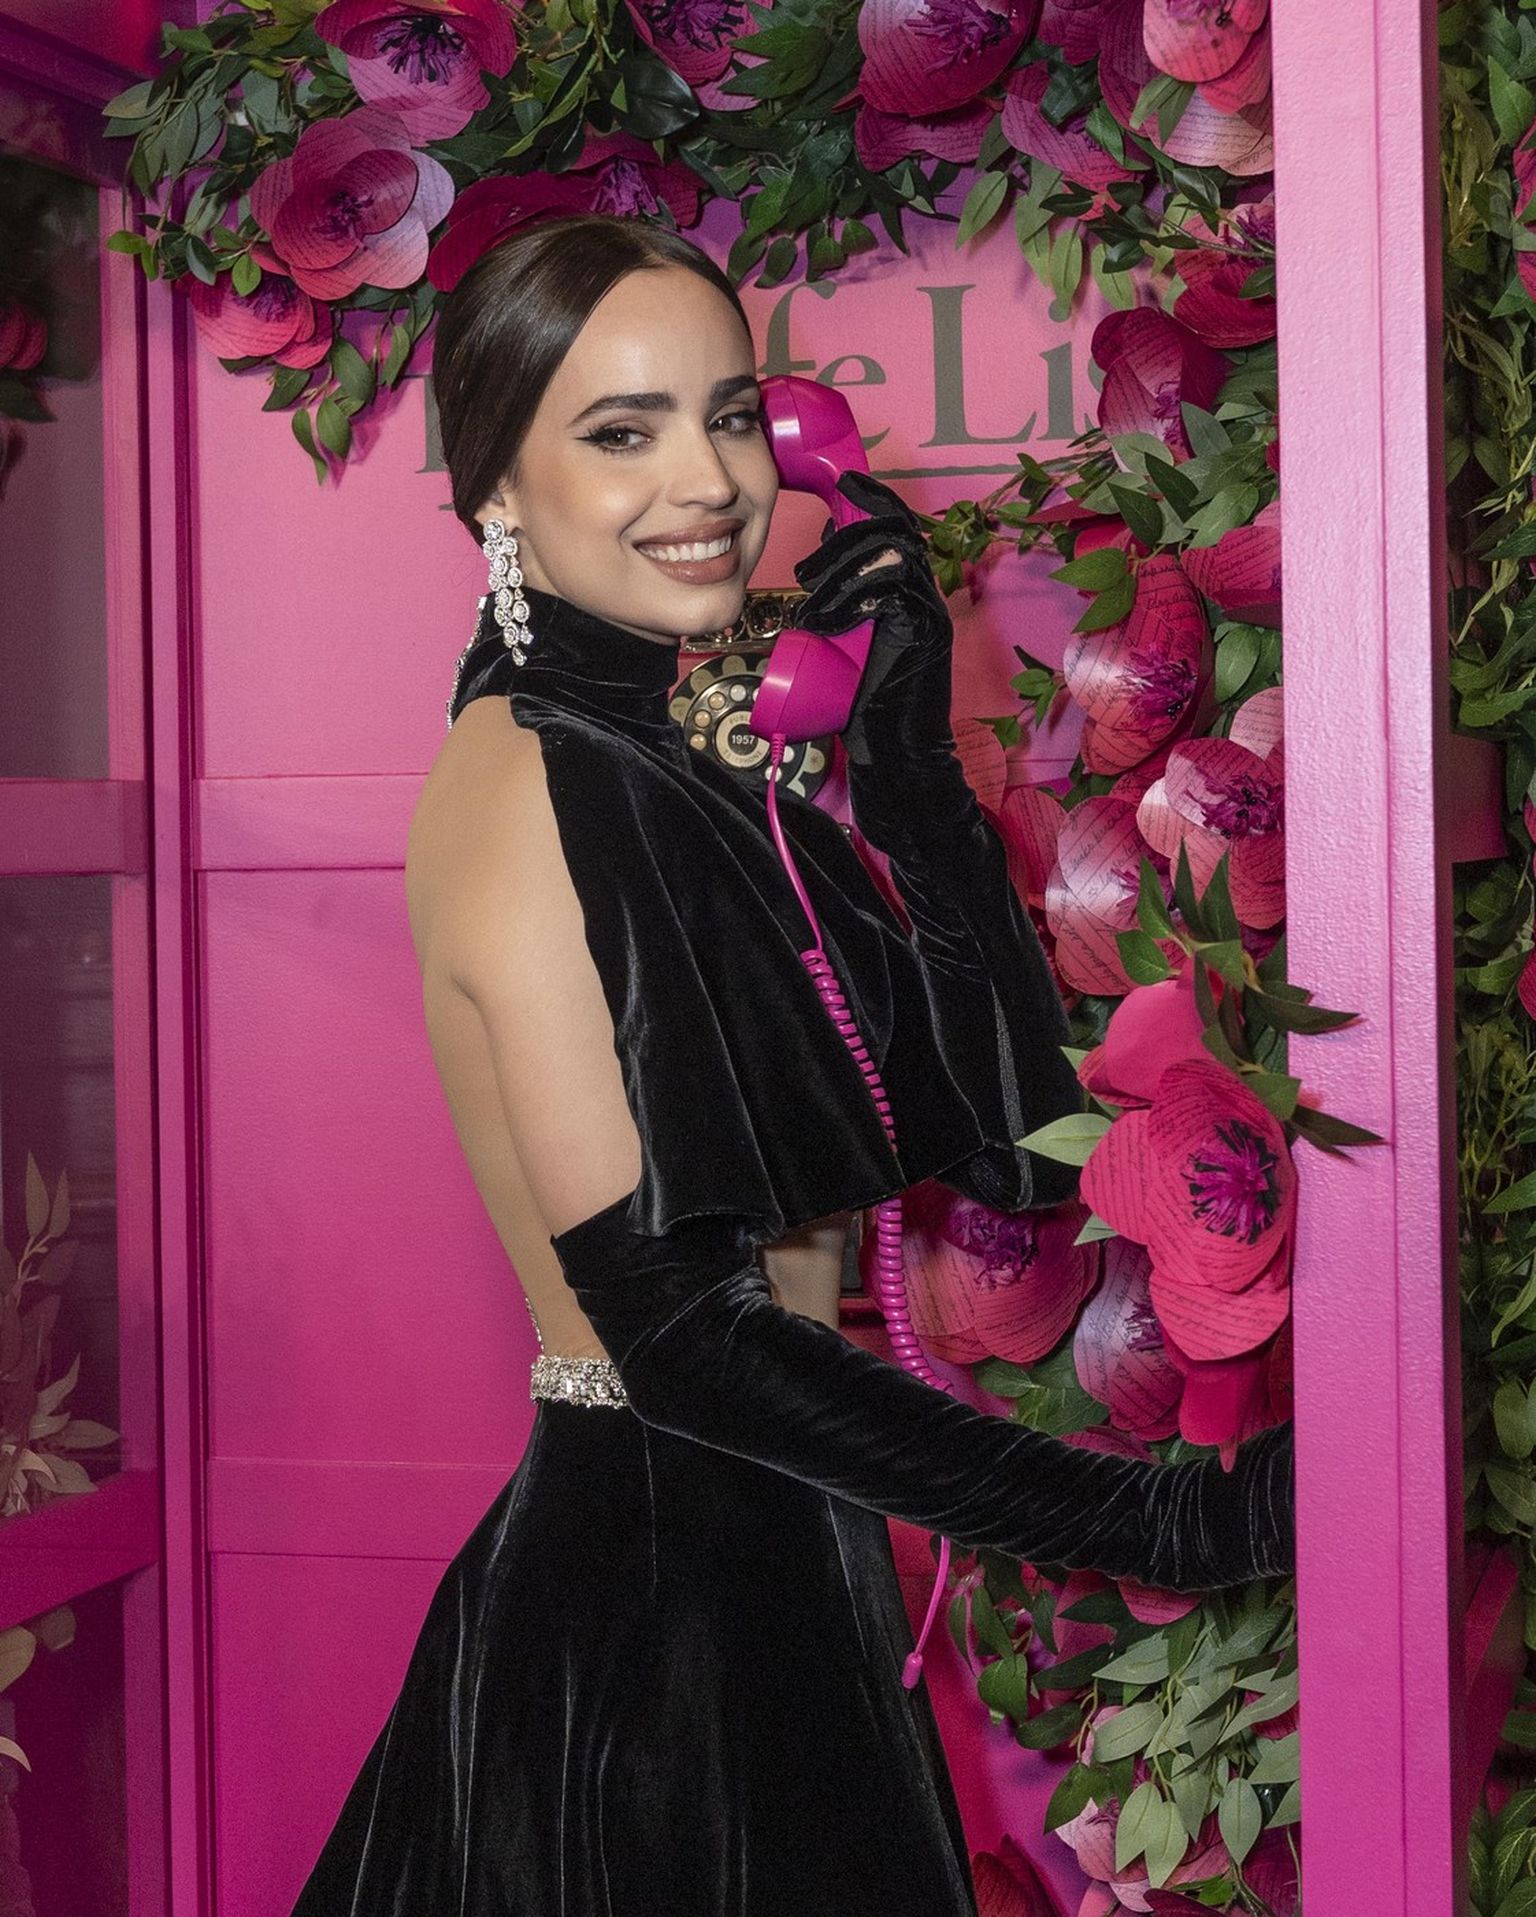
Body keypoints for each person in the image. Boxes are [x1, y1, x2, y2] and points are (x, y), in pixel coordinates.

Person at [290, 212, 1294, 1917]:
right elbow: (682, 1334)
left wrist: (908, 772)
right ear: (499, 490)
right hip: (662, 1616)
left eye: (732, 415)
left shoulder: (677, 765)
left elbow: (1014, 1148)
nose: (709, 480)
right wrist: (1160, 1527)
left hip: (770, 1566)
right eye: (623, 431)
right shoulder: (530, 784)